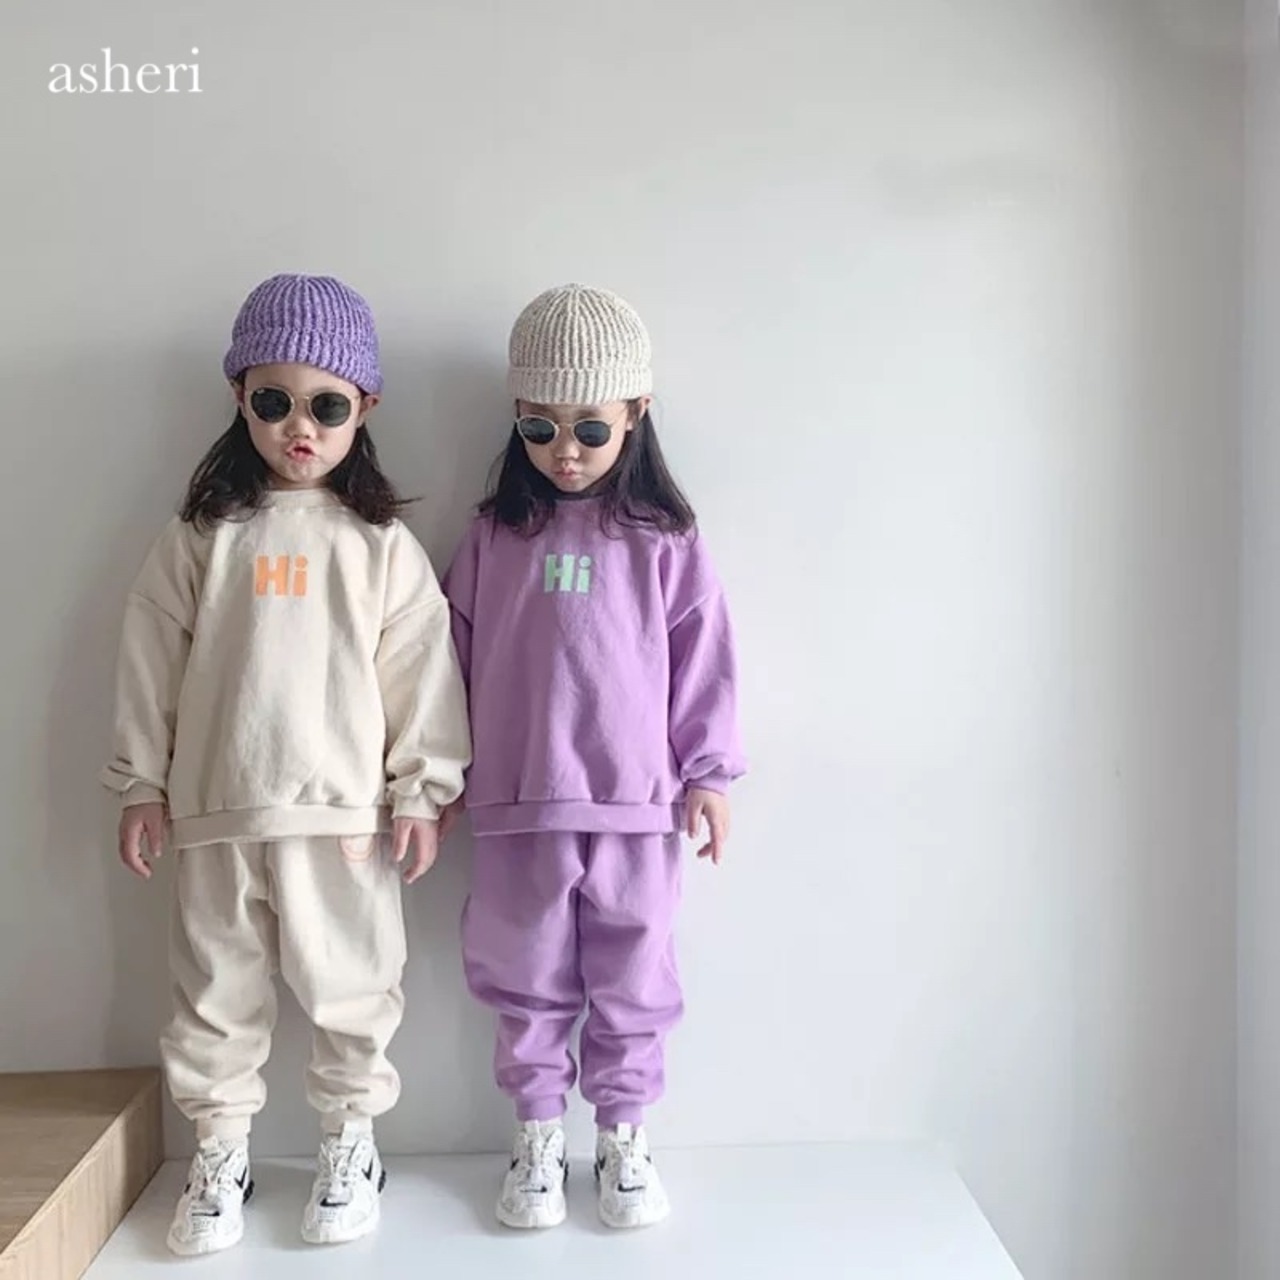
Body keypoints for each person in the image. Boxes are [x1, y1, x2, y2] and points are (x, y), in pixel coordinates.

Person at [101, 273, 471, 1255]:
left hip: (343, 818)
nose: (298, 427)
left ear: (365, 407)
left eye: (326, 406)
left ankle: (351, 1142)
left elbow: (420, 669)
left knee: (356, 987)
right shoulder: (202, 535)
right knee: (212, 998)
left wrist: (423, 789)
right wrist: (140, 781)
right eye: (274, 401)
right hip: (215, 813)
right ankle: (220, 1151)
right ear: (239, 396)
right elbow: (150, 657)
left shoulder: (380, 543)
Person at [442, 283, 745, 1230]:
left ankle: (623, 1136)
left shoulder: (664, 540)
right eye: (538, 428)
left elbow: (703, 657)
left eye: (588, 429)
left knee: (635, 975)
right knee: (522, 976)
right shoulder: (495, 537)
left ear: (636, 413)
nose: (563, 451)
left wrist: (709, 772)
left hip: (637, 805)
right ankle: (538, 1136)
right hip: (517, 803)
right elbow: (445, 661)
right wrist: (437, 776)